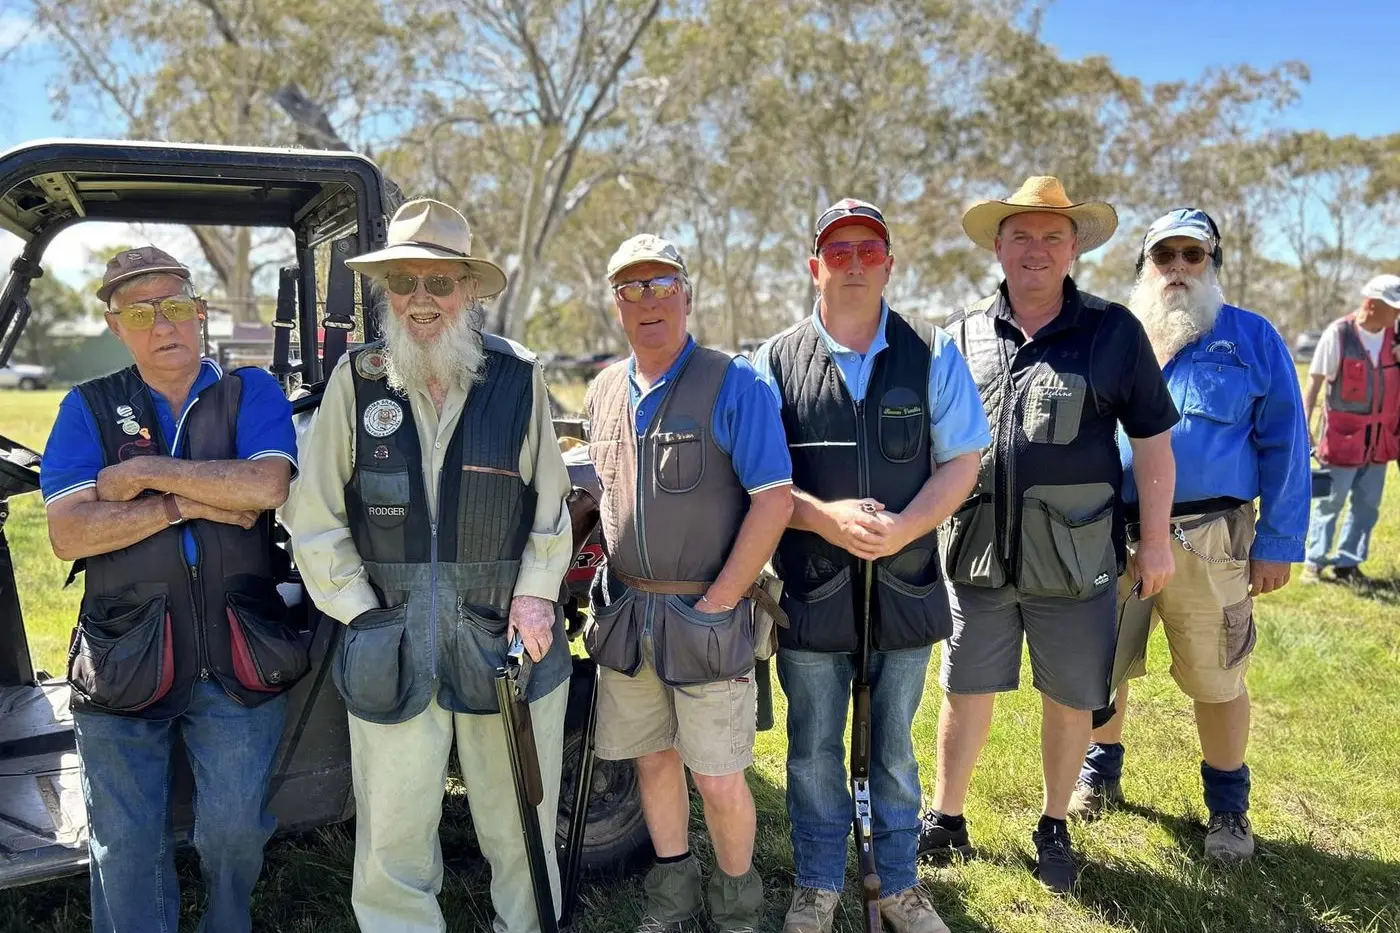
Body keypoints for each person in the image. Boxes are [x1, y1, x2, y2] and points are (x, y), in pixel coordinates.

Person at [283, 199, 574, 933]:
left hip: (504, 640)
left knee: (520, 827)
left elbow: (552, 505)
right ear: (386, 291)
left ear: (469, 290)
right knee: (392, 836)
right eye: (405, 281)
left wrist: (537, 596)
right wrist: (364, 614)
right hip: (394, 640)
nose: (421, 299)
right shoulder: (357, 380)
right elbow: (312, 516)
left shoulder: (517, 377)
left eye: (439, 282)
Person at [918, 177, 1180, 893]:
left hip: (1074, 557)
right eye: (1022, 235)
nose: (1036, 249)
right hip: (975, 549)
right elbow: (931, 441)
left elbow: (1153, 441)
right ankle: (946, 816)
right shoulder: (960, 334)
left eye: (1052, 236)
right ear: (998, 246)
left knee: (1069, 693)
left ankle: (1054, 822)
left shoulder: (1113, 331)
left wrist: (1153, 540)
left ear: (1074, 249)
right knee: (964, 685)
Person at [41, 246, 300, 933]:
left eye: (177, 306)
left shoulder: (253, 392)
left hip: (239, 650)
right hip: (124, 652)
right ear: (115, 325)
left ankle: (225, 920)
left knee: (235, 830)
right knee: (124, 846)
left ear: (202, 313)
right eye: (141, 311)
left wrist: (149, 471)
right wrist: (184, 502)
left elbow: (264, 486)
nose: (164, 325)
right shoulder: (87, 408)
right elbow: (70, 532)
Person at [753, 199, 989, 933]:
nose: (855, 262)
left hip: (906, 584)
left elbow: (963, 462)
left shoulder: (933, 354)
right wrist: (825, 519)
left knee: (893, 748)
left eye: (870, 249)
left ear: (890, 262)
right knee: (813, 747)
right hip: (811, 588)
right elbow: (758, 480)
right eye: (839, 249)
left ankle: (901, 885)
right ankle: (819, 882)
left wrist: (904, 530)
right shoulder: (771, 362)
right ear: (814, 264)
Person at [1070, 209, 1311, 861]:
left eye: (1192, 255)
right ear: (1143, 267)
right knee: (1104, 663)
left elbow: (1288, 443)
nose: (1177, 268)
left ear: (1213, 263)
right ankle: (1100, 773)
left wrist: (1280, 542)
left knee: (1217, 675)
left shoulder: (1253, 339)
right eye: (1163, 256)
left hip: (1213, 539)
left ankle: (1229, 808)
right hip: (1112, 533)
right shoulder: (1113, 338)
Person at [583, 234, 793, 933]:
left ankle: (737, 908)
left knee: (721, 777)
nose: (647, 299)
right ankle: (672, 900)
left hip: (708, 613)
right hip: (630, 617)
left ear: (687, 294)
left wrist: (722, 600)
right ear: (616, 305)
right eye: (631, 288)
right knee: (653, 762)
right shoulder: (603, 391)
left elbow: (774, 500)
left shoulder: (735, 381)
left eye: (661, 283)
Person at [1300, 273, 1400, 584]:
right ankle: (1313, 564)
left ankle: (1347, 565)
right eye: (1393, 308)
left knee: (1367, 506)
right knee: (1330, 503)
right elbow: (1314, 382)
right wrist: (1305, 428)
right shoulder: (1338, 334)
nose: (1397, 314)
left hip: (1379, 440)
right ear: (1371, 304)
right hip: (1342, 439)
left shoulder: (1395, 335)